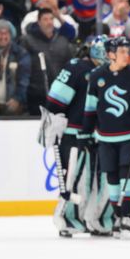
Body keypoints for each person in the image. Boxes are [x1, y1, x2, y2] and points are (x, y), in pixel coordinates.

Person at [82, 36, 130, 237]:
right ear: (110, 54)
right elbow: (90, 107)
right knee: (111, 176)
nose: (126, 55)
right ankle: (117, 215)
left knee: (126, 173)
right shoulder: (97, 76)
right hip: (106, 137)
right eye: (121, 52)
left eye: (127, 51)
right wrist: (85, 132)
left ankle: (127, 216)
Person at [43, 36, 107, 237]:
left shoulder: (106, 72)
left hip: (95, 135)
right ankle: (67, 219)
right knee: (73, 180)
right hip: (73, 135)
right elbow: (54, 101)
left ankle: (90, 218)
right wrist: (56, 121)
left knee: (93, 181)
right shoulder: (76, 68)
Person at [20, 7, 76, 115]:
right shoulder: (28, 40)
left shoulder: (62, 41)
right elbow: (23, 68)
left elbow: (70, 68)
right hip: (35, 95)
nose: (49, 22)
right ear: (39, 22)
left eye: (51, 19)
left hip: (58, 94)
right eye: (45, 19)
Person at [0, 19, 30, 115]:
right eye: (0, 34)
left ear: (10, 35)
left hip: (13, 106)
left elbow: (24, 80)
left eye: (6, 34)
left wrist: (18, 98)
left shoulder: (20, 53)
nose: (3, 37)